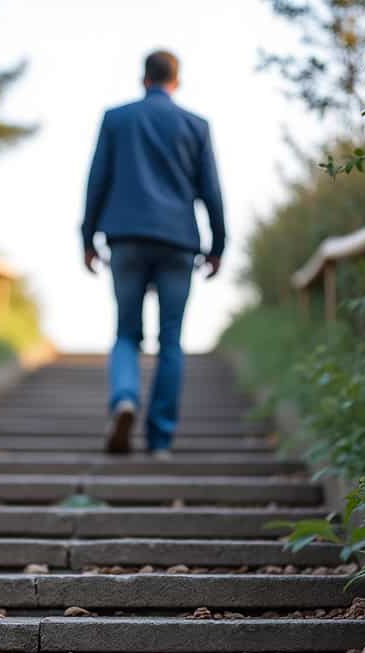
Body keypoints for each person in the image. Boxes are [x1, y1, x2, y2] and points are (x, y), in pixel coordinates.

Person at [81, 49, 225, 457]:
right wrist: (218, 245)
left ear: (144, 78)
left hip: (125, 238)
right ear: (176, 82)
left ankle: (125, 399)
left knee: (126, 333)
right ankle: (160, 440)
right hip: (178, 241)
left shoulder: (116, 119)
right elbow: (211, 190)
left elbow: (97, 181)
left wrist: (87, 239)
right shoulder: (196, 125)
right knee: (171, 341)